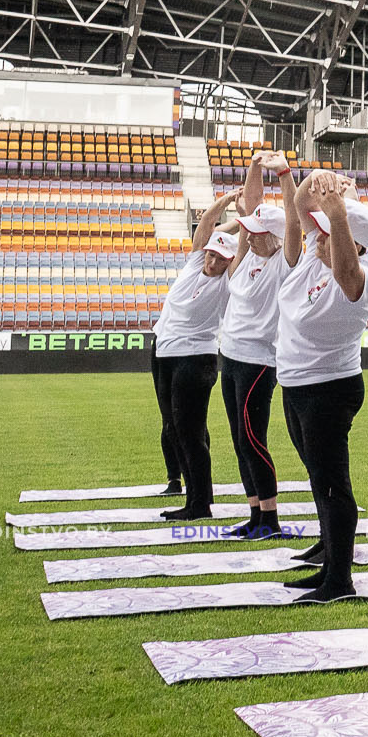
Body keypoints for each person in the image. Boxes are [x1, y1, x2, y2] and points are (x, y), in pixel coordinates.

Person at [274, 165, 368, 604]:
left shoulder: (357, 277)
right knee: (320, 480)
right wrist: (316, 178)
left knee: (333, 483)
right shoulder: (310, 265)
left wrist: (339, 215)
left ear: (352, 243)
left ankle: (339, 580)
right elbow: (302, 205)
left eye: (328, 232)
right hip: (299, 385)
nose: (317, 238)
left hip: (328, 389)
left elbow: (346, 275)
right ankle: (328, 565)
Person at [150, 188, 243, 520]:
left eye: (220, 258)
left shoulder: (228, 283)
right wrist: (227, 200)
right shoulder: (195, 262)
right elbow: (206, 223)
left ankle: (200, 502)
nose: (212, 260)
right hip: (165, 350)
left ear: (230, 262)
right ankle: (193, 497)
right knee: (175, 427)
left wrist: (243, 218)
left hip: (195, 357)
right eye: (211, 254)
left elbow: (240, 251)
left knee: (190, 432)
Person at [218, 154, 290, 540]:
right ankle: (254, 513)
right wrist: (254, 166)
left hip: (258, 361)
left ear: (273, 236)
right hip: (229, 356)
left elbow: (290, 221)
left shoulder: (284, 262)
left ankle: (271, 519)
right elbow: (252, 202)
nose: (247, 234)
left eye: (255, 231)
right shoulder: (247, 257)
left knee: (252, 439)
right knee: (238, 439)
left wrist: (282, 175)